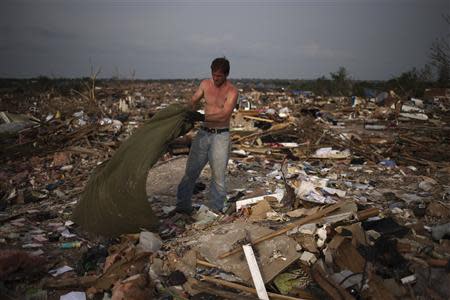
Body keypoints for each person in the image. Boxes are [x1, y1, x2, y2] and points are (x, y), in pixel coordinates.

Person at [176, 57, 238, 214]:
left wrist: (201, 117)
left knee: (218, 177)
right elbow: (194, 100)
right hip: (203, 134)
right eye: (214, 75)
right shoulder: (205, 84)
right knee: (191, 172)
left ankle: (216, 211)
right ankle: (182, 206)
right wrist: (188, 110)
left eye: (219, 76)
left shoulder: (232, 91)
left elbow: (224, 115)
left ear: (226, 75)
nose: (216, 78)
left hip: (220, 136)